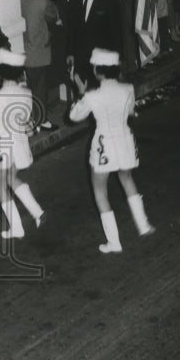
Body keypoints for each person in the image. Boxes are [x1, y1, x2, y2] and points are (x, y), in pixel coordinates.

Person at [68, 48, 154, 253]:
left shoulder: (93, 96)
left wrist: (80, 92)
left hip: (104, 143)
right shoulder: (128, 89)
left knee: (100, 190)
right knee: (127, 179)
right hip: (124, 140)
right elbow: (131, 110)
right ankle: (143, 225)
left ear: (97, 71)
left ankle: (114, 242)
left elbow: (74, 116)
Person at [0, 49, 45, 239]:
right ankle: (37, 211)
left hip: (0, 145)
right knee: (11, 178)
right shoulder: (27, 93)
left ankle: (17, 228)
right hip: (19, 144)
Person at [66, 0, 124, 88]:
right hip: (80, 57)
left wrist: (118, 58)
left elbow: (116, 31)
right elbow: (71, 27)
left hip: (101, 58)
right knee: (82, 92)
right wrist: (70, 52)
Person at [19, 0, 62, 132]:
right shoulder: (44, 0)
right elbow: (53, 17)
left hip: (24, 47)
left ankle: (33, 118)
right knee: (40, 87)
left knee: (29, 85)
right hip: (39, 48)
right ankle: (41, 119)